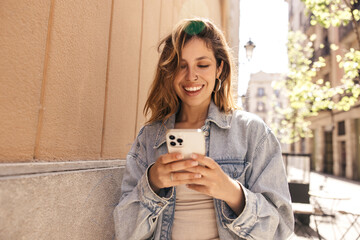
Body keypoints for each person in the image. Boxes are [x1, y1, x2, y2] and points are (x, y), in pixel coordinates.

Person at [113, 18, 294, 240]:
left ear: (219, 68)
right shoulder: (150, 137)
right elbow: (125, 232)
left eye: (203, 65)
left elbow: (281, 231)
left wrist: (232, 192)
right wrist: (152, 183)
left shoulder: (253, 133)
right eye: (181, 65)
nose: (191, 76)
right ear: (170, 71)